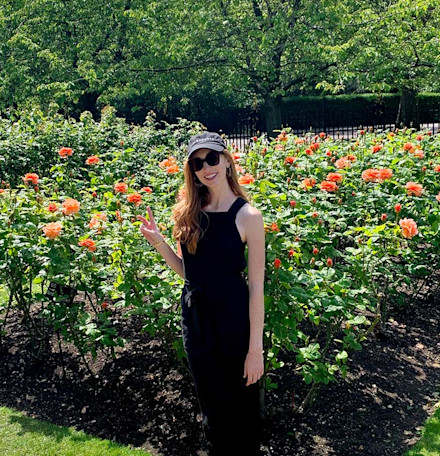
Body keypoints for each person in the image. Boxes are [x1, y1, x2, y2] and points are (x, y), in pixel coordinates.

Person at [137, 131, 266, 455]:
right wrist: (158, 241)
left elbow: (256, 287)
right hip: (196, 323)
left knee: (242, 408)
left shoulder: (248, 217)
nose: (206, 167)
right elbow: (189, 273)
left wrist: (255, 351)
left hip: (234, 323)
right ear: (192, 171)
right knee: (212, 410)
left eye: (211, 158)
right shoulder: (189, 213)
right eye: (197, 163)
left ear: (226, 161)